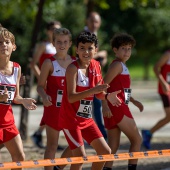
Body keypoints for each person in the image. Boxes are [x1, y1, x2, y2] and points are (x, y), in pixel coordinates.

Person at [59, 31, 121, 170]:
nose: (86, 52)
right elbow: (71, 97)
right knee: (79, 157)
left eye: (90, 48)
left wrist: (106, 97)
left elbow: (99, 93)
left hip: (86, 119)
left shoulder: (96, 65)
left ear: (96, 50)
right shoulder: (72, 68)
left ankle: (57, 168)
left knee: (105, 152)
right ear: (76, 50)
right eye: (82, 48)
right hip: (70, 119)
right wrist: (94, 91)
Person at [102, 33, 143, 170]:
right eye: (123, 48)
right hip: (117, 107)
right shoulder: (117, 65)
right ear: (115, 50)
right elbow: (102, 86)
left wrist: (133, 100)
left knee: (112, 146)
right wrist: (105, 105)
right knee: (137, 139)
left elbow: (120, 89)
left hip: (117, 106)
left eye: (129, 48)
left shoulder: (121, 65)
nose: (127, 51)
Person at [37, 28, 75, 170]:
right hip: (53, 109)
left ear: (70, 43)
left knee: (76, 143)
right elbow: (40, 86)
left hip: (71, 110)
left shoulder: (76, 62)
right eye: (58, 41)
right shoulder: (49, 63)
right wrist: (44, 96)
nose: (62, 45)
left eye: (65, 42)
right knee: (52, 145)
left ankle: (59, 167)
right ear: (53, 43)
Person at [0, 27, 37, 170]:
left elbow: (15, 96)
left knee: (19, 158)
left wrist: (23, 100)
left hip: (7, 121)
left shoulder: (16, 68)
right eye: (0, 42)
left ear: (13, 46)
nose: (3, 45)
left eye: (7, 42)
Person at [30, 21, 61, 148]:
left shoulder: (61, 46)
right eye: (53, 29)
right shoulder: (44, 45)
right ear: (47, 31)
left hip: (58, 83)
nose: (55, 31)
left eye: (58, 29)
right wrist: (42, 79)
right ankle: (42, 136)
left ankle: (41, 135)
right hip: (47, 83)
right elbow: (33, 64)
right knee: (52, 110)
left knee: (56, 110)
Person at [84, 11, 108, 139]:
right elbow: (80, 56)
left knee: (96, 104)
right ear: (87, 21)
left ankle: (98, 133)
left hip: (95, 75)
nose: (94, 24)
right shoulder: (84, 35)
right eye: (92, 21)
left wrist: (103, 57)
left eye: (96, 21)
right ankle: (98, 133)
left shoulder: (97, 35)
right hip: (84, 77)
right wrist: (100, 54)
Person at [142, 50, 170, 149]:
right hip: (165, 89)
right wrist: (163, 83)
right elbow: (155, 68)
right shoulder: (168, 55)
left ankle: (148, 133)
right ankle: (148, 133)